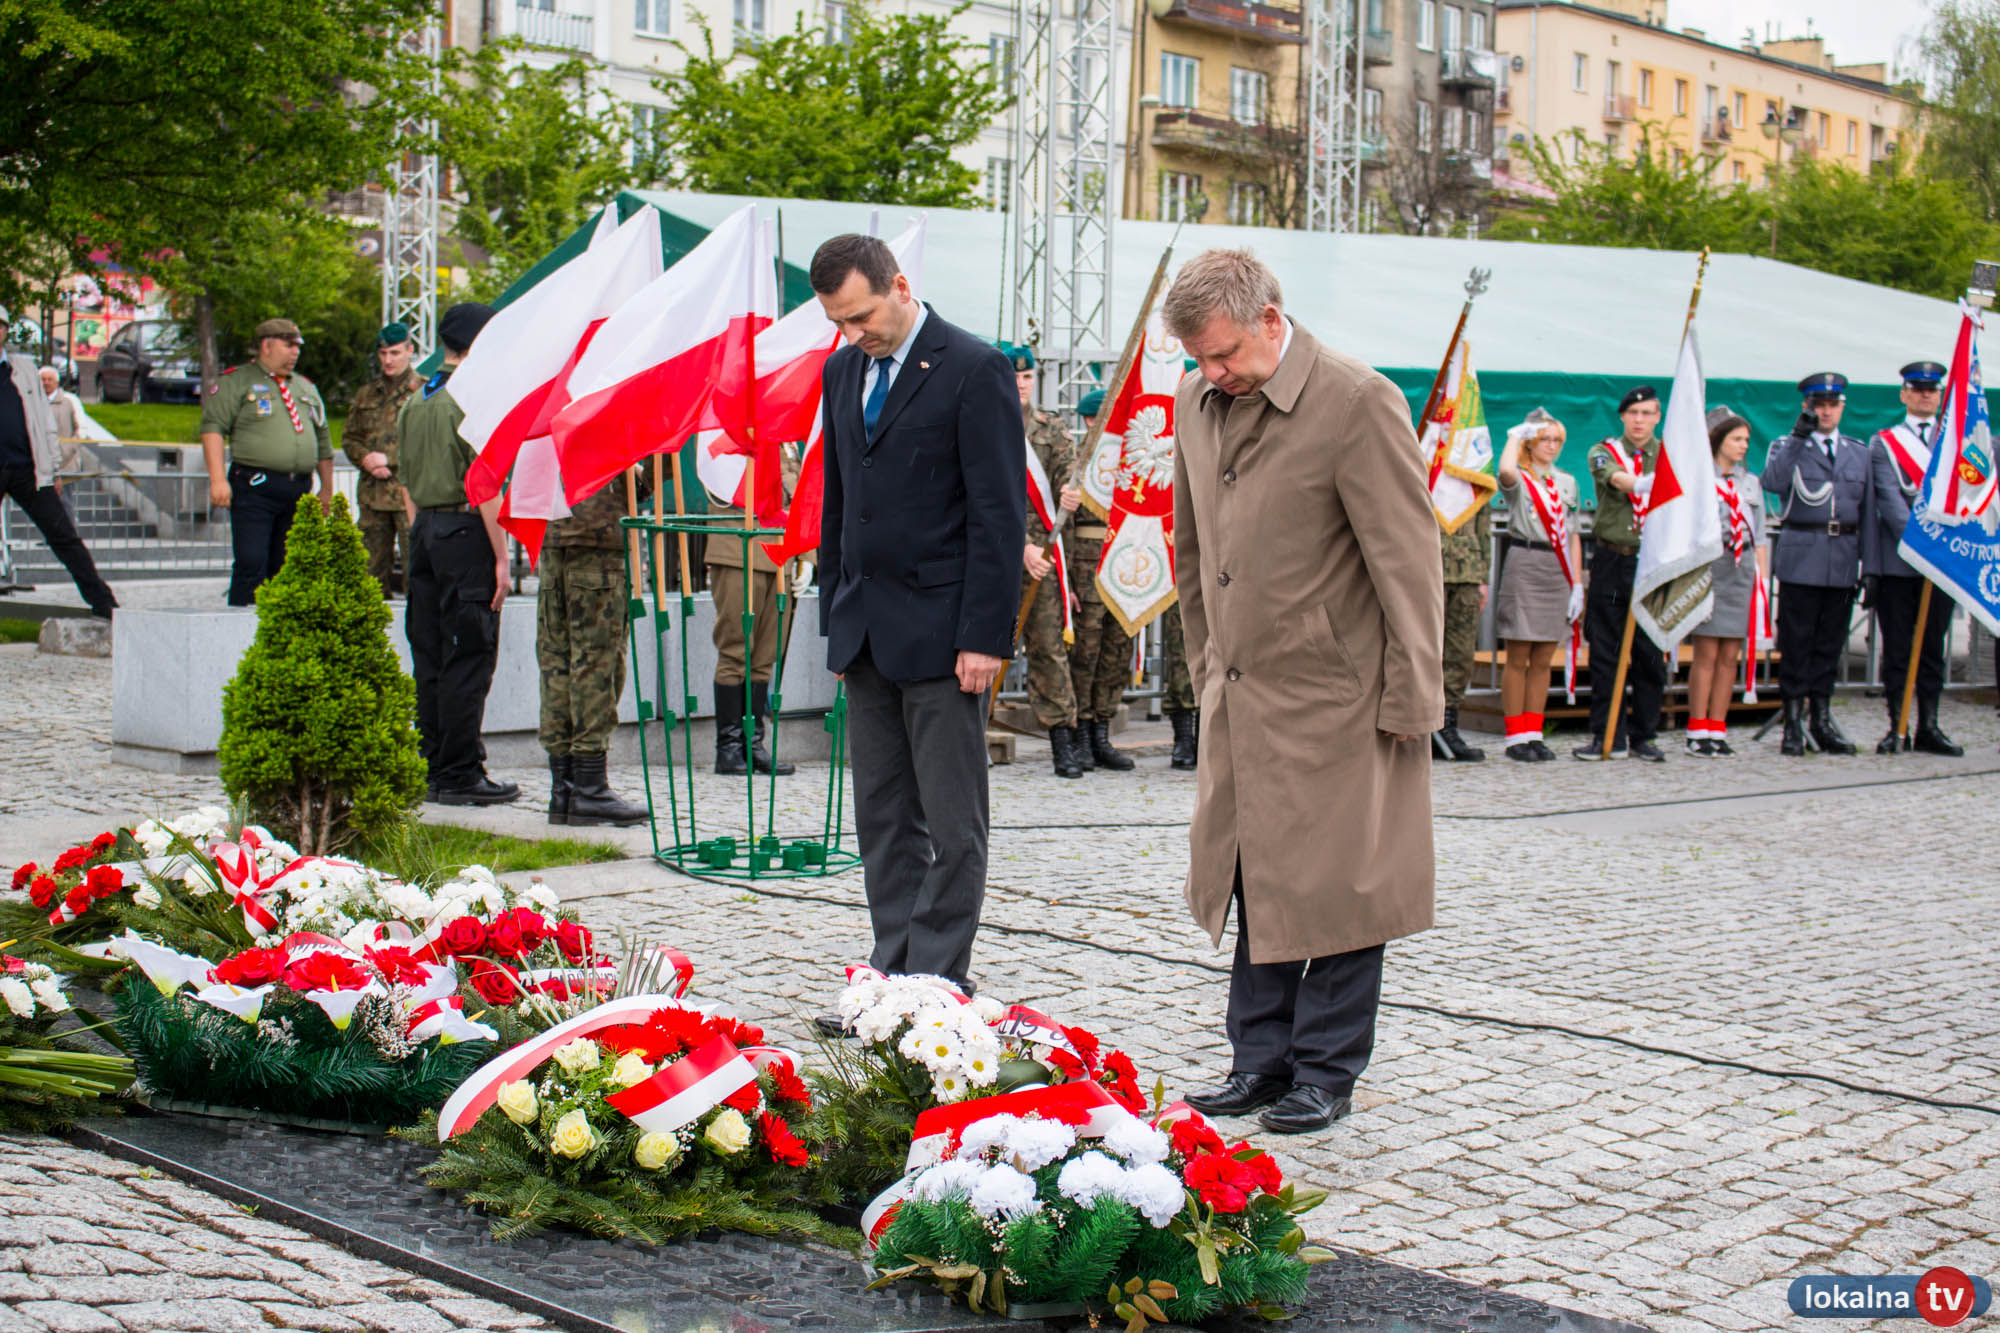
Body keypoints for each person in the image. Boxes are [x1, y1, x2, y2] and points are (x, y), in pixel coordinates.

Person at [1166, 249, 1442, 1134]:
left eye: (1225, 354)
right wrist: (1205, 667)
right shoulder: (1195, 401)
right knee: (1256, 875)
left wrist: (1414, 696)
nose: (1215, 372)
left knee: (1346, 887)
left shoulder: (1358, 401)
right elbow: (1191, 551)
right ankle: (1259, 1060)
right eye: (1200, 359)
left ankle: (1326, 1068)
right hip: (1241, 694)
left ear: (1271, 319)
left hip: (1339, 698)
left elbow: (1408, 562)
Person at [812, 234, 1024, 992]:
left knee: (952, 822)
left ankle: (935, 982)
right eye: (838, 322)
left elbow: (998, 515)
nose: (852, 334)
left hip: (944, 636)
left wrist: (985, 636)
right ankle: (891, 969)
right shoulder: (842, 371)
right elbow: (840, 501)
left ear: (900, 286)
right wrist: (835, 621)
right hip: (866, 632)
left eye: (861, 315)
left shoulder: (973, 367)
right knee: (883, 817)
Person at [400, 302, 517, 806]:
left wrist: (423, 530)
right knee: (469, 653)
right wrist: (502, 557)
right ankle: (461, 772)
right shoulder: (472, 399)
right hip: (466, 529)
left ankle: (431, 764)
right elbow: (485, 484)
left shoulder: (417, 400)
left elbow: (406, 481)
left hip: (426, 527)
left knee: (429, 653)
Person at [1761, 372, 1899, 757]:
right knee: (1797, 642)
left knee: (1829, 645)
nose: (1825, 411)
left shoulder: (1858, 451)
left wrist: (1871, 567)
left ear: (1842, 407)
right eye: (1817, 405)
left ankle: (1821, 719)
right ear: (1806, 406)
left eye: (1832, 404)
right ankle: (1792, 721)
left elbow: (1869, 513)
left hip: (1842, 558)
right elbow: (1773, 482)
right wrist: (1799, 436)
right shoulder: (1786, 445)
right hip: (1802, 555)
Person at [539, 468, 650, 827]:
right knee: (597, 663)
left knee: (557, 662)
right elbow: (649, 474)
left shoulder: (550, 424)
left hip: (553, 533)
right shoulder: (606, 426)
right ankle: (589, 787)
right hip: (596, 540)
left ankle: (564, 788)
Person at [200, 318, 335, 607]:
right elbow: (213, 429)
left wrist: (327, 488)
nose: (295, 352)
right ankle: (242, 626)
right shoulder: (237, 381)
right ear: (267, 346)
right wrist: (217, 479)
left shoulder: (305, 387)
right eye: (289, 345)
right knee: (252, 562)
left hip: (297, 489)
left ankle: (280, 627)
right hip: (255, 487)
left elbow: (323, 440)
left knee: (288, 565)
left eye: (297, 346)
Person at [1864, 360, 1961, 756]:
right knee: (1899, 649)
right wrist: (1925, 544)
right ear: (1904, 394)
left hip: (1942, 565)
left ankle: (1929, 726)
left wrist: (1939, 550)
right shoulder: (1884, 443)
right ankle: (1897, 727)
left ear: (1940, 396)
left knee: (1933, 648)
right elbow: (1889, 500)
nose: (1925, 395)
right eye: (1918, 389)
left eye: (1932, 389)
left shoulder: (1955, 443)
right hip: (1900, 562)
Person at [0, 319, 117, 618]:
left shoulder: (23, 369)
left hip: (28, 469)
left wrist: (53, 470)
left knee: (63, 535)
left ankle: (103, 602)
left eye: (0, 326)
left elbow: (44, 420)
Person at [1009, 343, 1089, 779]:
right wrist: (1019, 545)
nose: (1021, 384)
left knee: (1047, 648)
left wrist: (1071, 493)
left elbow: (1066, 479)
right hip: (995, 552)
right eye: (1013, 376)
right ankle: (968, 734)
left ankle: (1063, 740)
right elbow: (978, 496)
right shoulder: (982, 423)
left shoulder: (1050, 428)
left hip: (1043, 557)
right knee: (976, 644)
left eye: (1027, 377)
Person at [1576, 385, 1666, 761]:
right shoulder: (1605, 451)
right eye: (1633, 414)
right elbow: (1614, 478)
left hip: (1654, 560)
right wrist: (1645, 483)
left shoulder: (1668, 455)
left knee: (1650, 652)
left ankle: (1645, 734)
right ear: (1623, 417)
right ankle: (1607, 733)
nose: (1639, 420)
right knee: (1606, 650)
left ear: (1657, 418)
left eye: (1647, 414)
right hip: (1614, 559)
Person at [706, 444, 799, 778]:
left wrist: (806, 557)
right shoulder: (732, 430)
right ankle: (729, 747)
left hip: (780, 551)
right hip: (738, 548)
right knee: (736, 650)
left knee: (765, 655)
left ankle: (753, 743)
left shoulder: (788, 440)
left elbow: (801, 498)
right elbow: (720, 483)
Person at [1493, 411, 1581, 762]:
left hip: (1556, 567)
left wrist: (1577, 582)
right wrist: (1514, 437)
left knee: (1544, 656)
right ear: (1531, 442)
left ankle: (1534, 731)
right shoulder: (1522, 476)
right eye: (1545, 439)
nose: (1552, 446)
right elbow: (1505, 473)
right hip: (1526, 560)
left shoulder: (1567, 481)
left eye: (1557, 440)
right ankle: (1515, 735)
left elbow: (1572, 533)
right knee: (1518, 654)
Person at [1683, 408, 1768, 757]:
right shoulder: (1700, 480)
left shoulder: (1750, 483)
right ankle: (1697, 728)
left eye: (1746, 440)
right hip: (1711, 565)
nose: (1743, 445)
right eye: (1736, 439)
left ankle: (1718, 727)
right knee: (1706, 651)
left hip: (1741, 566)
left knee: (1730, 654)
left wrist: (1763, 581)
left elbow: (1760, 534)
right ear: (1719, 441)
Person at [1066, 406, 1137, 774]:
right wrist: (1068, 581)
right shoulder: (1079, 465)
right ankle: (1079, 733)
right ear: (1090, 421)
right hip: (1087, 568)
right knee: (1085, 652)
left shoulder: (1133, 464)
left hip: (1124, 565)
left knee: (1116, 651)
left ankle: (1101, 733)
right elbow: (1065, 524)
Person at [342, 323, 422, 597]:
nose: (388, 360)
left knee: (417, 572)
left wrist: (388, 459)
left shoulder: (424, 390)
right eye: (383, 353)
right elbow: (350, 437)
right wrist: (365, 459)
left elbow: (428, 441)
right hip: (372, 495)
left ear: (410, 350)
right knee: (369, 575)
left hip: (409, 495)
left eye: (395, 353)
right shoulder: (366, 393)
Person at [1435, 485, 1492, 763]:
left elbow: (1483, 525)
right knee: (1423, 651)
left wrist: (1483, 577)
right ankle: (1420, 726)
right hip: (1429, 566)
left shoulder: (1473, 467)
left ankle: (1447, 726)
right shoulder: (1425, 461)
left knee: (1460, 653)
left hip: (1468, 571)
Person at [1161, 603, 1198, 770]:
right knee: (1181, 660)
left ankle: (1206, 739)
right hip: (1182, 593)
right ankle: (1184, 738)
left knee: (1219, 659)